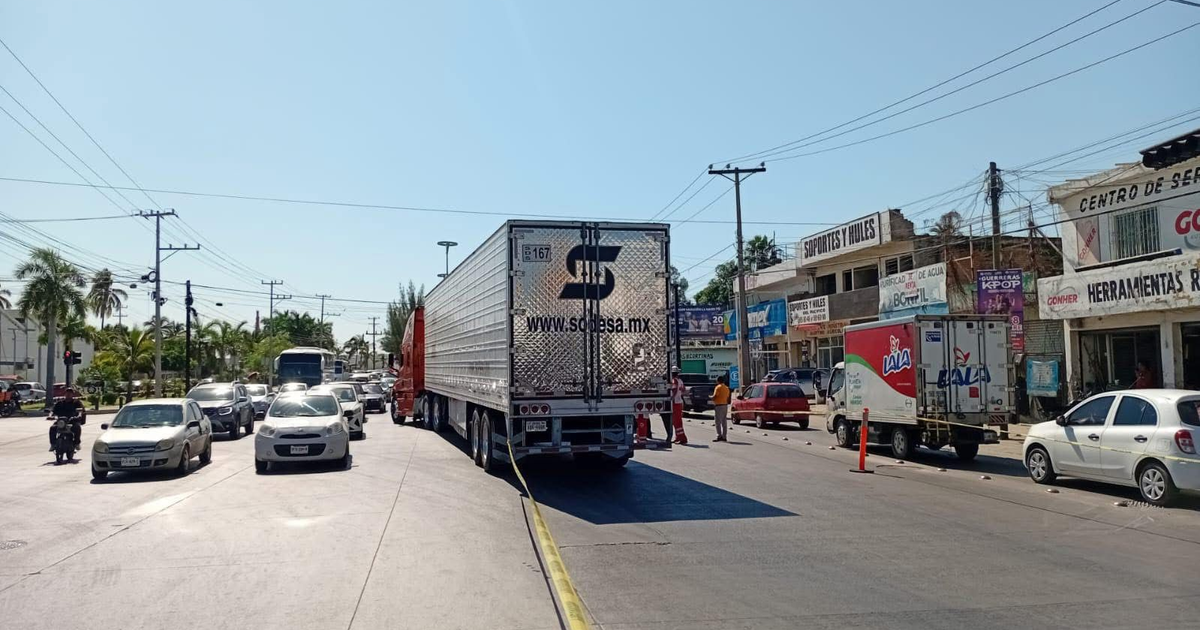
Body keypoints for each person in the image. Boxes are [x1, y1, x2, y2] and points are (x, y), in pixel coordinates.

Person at [670, 367, 687, 445]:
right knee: (677, 421)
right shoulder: (680, 381)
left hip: (675, 402)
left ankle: (681, 437)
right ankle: (678, 437)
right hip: (679, 401)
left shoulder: (674, 381)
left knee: (676, 421)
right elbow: (684, 390)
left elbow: (674, 390)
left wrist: (672, 398)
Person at [710, 375, 731, 442]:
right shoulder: (726, 388)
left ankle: (719, 436)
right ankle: (724, 437)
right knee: (724, 421)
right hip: (725, 405)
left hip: (718, 405)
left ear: (718, 381)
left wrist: (711, 398)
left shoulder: (718, 387)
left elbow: (715, 396)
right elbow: (728, 397)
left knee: (717, 422)